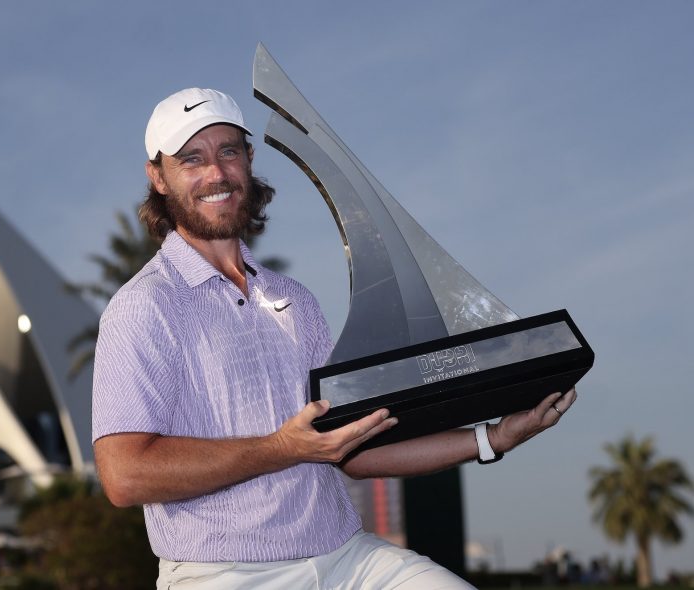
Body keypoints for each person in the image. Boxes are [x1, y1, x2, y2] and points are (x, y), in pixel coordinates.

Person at [91, 87, 577, 590]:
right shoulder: (144, 306)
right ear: (158, 177)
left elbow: (354, 449)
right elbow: (125, 475)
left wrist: (492, 438)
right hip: (226, 575)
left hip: (349, 561)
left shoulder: (294, 299)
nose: (216, 173)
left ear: (249, 161)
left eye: (228, 151)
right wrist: (282, 447)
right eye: (192, 158)